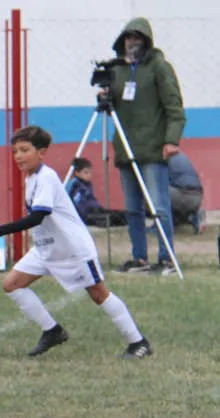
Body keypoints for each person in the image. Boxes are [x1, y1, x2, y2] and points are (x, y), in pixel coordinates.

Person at [0, 126, 151, 359]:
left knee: (99, 294)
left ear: (41, 153)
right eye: (15, 151)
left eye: (24, 150)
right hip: (47, 248)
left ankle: (138, 342)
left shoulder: (47, 177)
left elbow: (37, 216)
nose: (18, 156)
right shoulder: (31, 178)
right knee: (12, 284)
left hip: (73, 250)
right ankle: (52, 331)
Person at [106, 17, 185, 275]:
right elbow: (114, 107)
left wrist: (171, 140)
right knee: (132, 209)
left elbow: (174, 108)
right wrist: (104, 96)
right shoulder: (117, 70)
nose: (132, 42)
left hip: (153, 149)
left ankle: (166, 259)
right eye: (128, 37)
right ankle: (139, 258)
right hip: (126, 149)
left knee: (159, 208)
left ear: (147, 41)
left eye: (137, 37)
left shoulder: (159, 68)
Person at [66, 158, 127, 227]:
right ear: (77, 173)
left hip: (95, 210)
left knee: (121, 214)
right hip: (86, 215)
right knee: (111, 218)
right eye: (86, 173)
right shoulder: (75, 186)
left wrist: (99, 209)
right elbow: (79, 206)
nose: (89, 175)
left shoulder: (87, 184)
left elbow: (92, 199)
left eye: (90, 173)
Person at [166, 151, 202, 229]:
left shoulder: (162, 157)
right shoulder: (182, 155)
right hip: (198, 197)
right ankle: (193, 217)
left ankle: (162, 225)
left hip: (180, 195)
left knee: (156, 191)